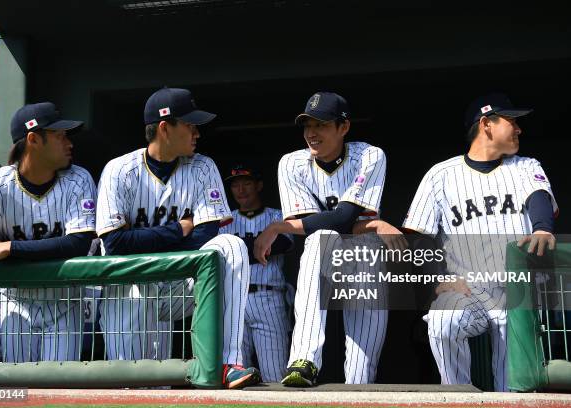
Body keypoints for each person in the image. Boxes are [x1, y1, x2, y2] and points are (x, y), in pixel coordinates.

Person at [95, 87, 261, 389]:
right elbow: (116, 243)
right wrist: (179, 229)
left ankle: (226, 361)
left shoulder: (202, 166)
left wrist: (145, 237)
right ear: (164, 128)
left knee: (231, 245)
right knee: (135, 386)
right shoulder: (120, 171)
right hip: (130, 287)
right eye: (190, 125)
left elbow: (207, 234)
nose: (197, 133)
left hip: (177, 285)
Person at [402, 93, 558, 391]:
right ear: (486, 124)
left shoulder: (524, 166)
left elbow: (539, 198)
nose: (519, 128)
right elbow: (420, 237)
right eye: (511, 121)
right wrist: (437, 280)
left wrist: (541, 229)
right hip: (469, 289)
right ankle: (459, 395)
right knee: (442, 320)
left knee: (512, 390)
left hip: (518, 292)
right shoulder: (441, 175)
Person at [254, 92, 406, 386]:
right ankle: (304, 359)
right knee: (321, 238)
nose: (311, 133)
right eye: (307, 125)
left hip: (365, 258)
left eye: (321, 125)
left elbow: (343, 218)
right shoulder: (292, 163)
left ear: (343, 127)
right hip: (323, 257)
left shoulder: (369, 156)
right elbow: (319, 227)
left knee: (362, 373)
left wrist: (277, 226)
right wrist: (374, 224)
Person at [0, 102, 97, 362]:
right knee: (19, 388)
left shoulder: (78, 179)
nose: (69, 143)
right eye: (60, 136)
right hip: (15, 302)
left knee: (58, 389)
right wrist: (47, 250)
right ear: (34, 139)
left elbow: (78, 243)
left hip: (65, 301)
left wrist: (9, 248)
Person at [220, 164, 294, 382]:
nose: (240, 189)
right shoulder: (224, 220)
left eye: (247, 183)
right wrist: (260, 244)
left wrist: (238, 248)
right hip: (234, 300)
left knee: (274, 373)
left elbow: (282, 244)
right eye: (235, 185)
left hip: (268, 298)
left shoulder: (279, 216)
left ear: (259, 185)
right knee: (236, 375)